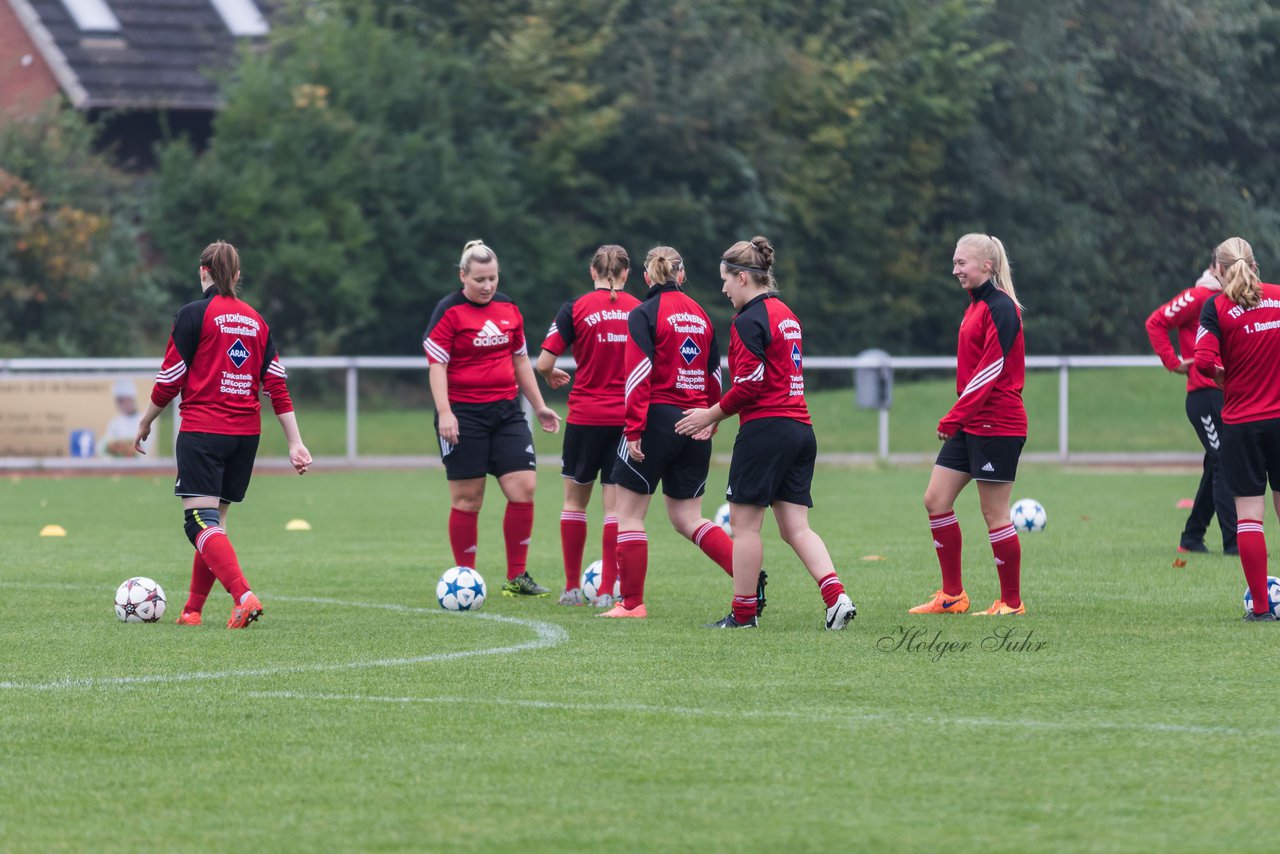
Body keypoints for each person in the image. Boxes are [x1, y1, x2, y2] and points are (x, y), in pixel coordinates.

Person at [674, 236, 856, 630]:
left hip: (766, 431)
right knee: (795, 527)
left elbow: (751, 384)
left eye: (725, 280)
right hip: (800, 429)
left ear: (743, 277)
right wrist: (720, 415)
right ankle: (835, 597)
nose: (722, 289)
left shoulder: (748, 320)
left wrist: (710, 414)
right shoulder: (786, 313)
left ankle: (743, 615)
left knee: (744, 526)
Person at [134, 240, 312, 628]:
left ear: (203, 272)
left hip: (203, 430)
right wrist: (295, 442)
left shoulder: (192, 315)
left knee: (197, 522)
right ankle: (192, 611)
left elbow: (170, 379)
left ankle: (243, 595)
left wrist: (146, 420)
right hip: (245, 436)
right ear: (236, 277)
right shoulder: (257, 321)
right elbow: (277, 386)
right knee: (214, 524)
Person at [600, 245, 740, 619]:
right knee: (689, 518)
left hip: (657, 420)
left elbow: (638, 376)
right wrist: (710, 418)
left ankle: (631, 604)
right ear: (681, 274)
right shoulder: (701, 315)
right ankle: (746, 578)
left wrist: (633, 429)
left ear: (647, 277)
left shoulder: (643, 313)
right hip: (696, 421)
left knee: (628, 514)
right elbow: (715, 374)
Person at [423, 239, 562, 597]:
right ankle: (465, 579)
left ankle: (517, 577)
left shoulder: (508, 309)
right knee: (469, 499)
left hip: (506, 413)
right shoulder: (449, 310)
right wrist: (445, 413)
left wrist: (540, 405)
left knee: (524, 488)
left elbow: (519, 360)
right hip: (463, 415)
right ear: (463, 276)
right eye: (480, 279)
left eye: (493, 279)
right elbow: (437, 365)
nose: (487, 286)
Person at [910, 233, 1028, 616]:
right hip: (973, 421)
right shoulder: (975, 306)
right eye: (955, 262)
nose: (955, 269)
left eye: (962, 262)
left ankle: (1011, 602)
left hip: (998, 422)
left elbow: (991, 369)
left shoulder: (1002, 307)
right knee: (936, 500)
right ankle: (952, 596)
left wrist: (954, 415)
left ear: (986, 266)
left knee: (995, 514)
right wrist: (962, 417)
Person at [536, 245, 641, 607]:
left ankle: (570, 589)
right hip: (625, 420)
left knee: (574, 503)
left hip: (584, 417)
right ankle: (607, 591)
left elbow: (543, 361)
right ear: (626, 274)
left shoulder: (575, 308)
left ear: (591, 272)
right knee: (614, 509)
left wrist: (550, 375)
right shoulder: (639, 310)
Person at [1193, 237, 1280, 621]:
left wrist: (1227, 379)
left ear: (1220, 270)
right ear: (1255, 265)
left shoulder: (1216, 307)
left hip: (1242, 424)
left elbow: (1201, 362)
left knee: (1249, 517)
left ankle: (1260, 609)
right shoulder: (1278, 297)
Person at [1145, 264, 1237, 555]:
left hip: (1226, 394)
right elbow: (1155, 322)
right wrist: (1173, 361)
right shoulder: (1199, 297)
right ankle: (1234, 544)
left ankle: (1191, 538)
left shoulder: (1235, 300)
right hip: (1205, 395)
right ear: (1218, 267)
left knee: (1216, 463)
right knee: (1224, 460)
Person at [99, 378, 154, 457]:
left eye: (124, 400)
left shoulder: (145, 419)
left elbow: (147, 448)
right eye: (119, 401)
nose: (122, 404)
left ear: (132, 399)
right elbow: (104, 446)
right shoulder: (114, 423)